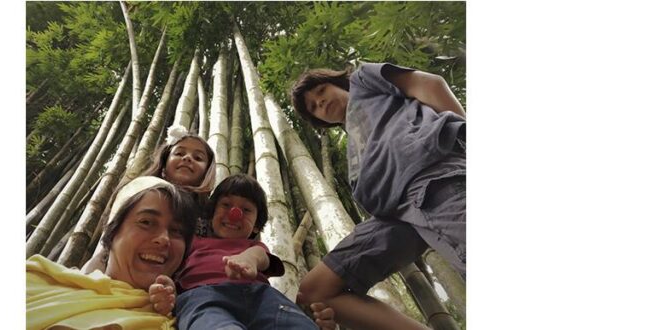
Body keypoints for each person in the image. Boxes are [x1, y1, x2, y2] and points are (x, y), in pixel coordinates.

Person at [291, 63, 466, 330]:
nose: (320, 102)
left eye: (321, 91)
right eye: (313, 107)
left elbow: (430, 84)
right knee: (316, 291)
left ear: (339, 83)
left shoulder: (362, 81)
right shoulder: (352, 149)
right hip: (395, 215)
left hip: (432, 178)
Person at [26, 176, 198, 330]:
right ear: (112, 232)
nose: (164, 239)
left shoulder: (185, 321)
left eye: (177, 231)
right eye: (146, 222)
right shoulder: (38, 281)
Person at [174, 174, 320, 330]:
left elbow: (260, 256)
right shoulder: (192, 242)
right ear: (211, 213)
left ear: (257, 225)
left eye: (246, 209)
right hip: (202, 296)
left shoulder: (253, 246)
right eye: (226, 205)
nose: (234, 214)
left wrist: (249, 259)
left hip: (260, 296)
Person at [81, 126, 217, 272]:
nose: (187, 158)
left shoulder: (209, 214)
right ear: (164, 164)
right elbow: (105, 250)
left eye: (198, 158)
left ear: (206, 172)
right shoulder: (139, 192)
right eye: (179, 153)